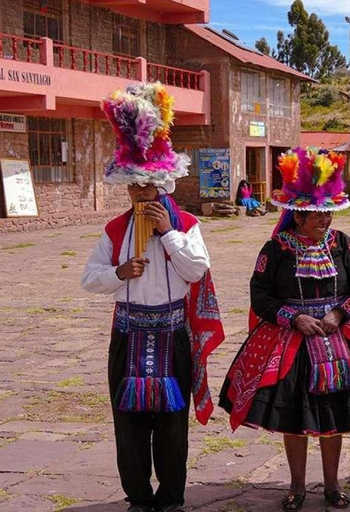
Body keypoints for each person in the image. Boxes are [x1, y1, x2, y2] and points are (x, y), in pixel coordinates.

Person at [219, 147, 350, 512]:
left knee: (334, 417)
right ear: (298, 215)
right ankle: (297, 486)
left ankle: (332, 485)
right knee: (294, 417)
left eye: (328, 211)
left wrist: (341, 314)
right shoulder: (276, 249)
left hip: (339, 338)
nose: (324, 218)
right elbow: (260, 295)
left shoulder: (342, 244)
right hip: (291, 341)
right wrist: (293, 318)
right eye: (316, 213)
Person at [82, 83, 225, 512]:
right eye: (135, 188)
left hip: (171, 336)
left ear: (164, 184)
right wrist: (119, 273)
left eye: (149, 187)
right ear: (127, 189)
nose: (142, 194)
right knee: (128, 428)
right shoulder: (113, 231)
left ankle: (171, 497)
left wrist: (169, 235)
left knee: (171, 428)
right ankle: (138, 498)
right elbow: (90, 280)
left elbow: (197, 270)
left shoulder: (187, 225)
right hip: (128, 338)